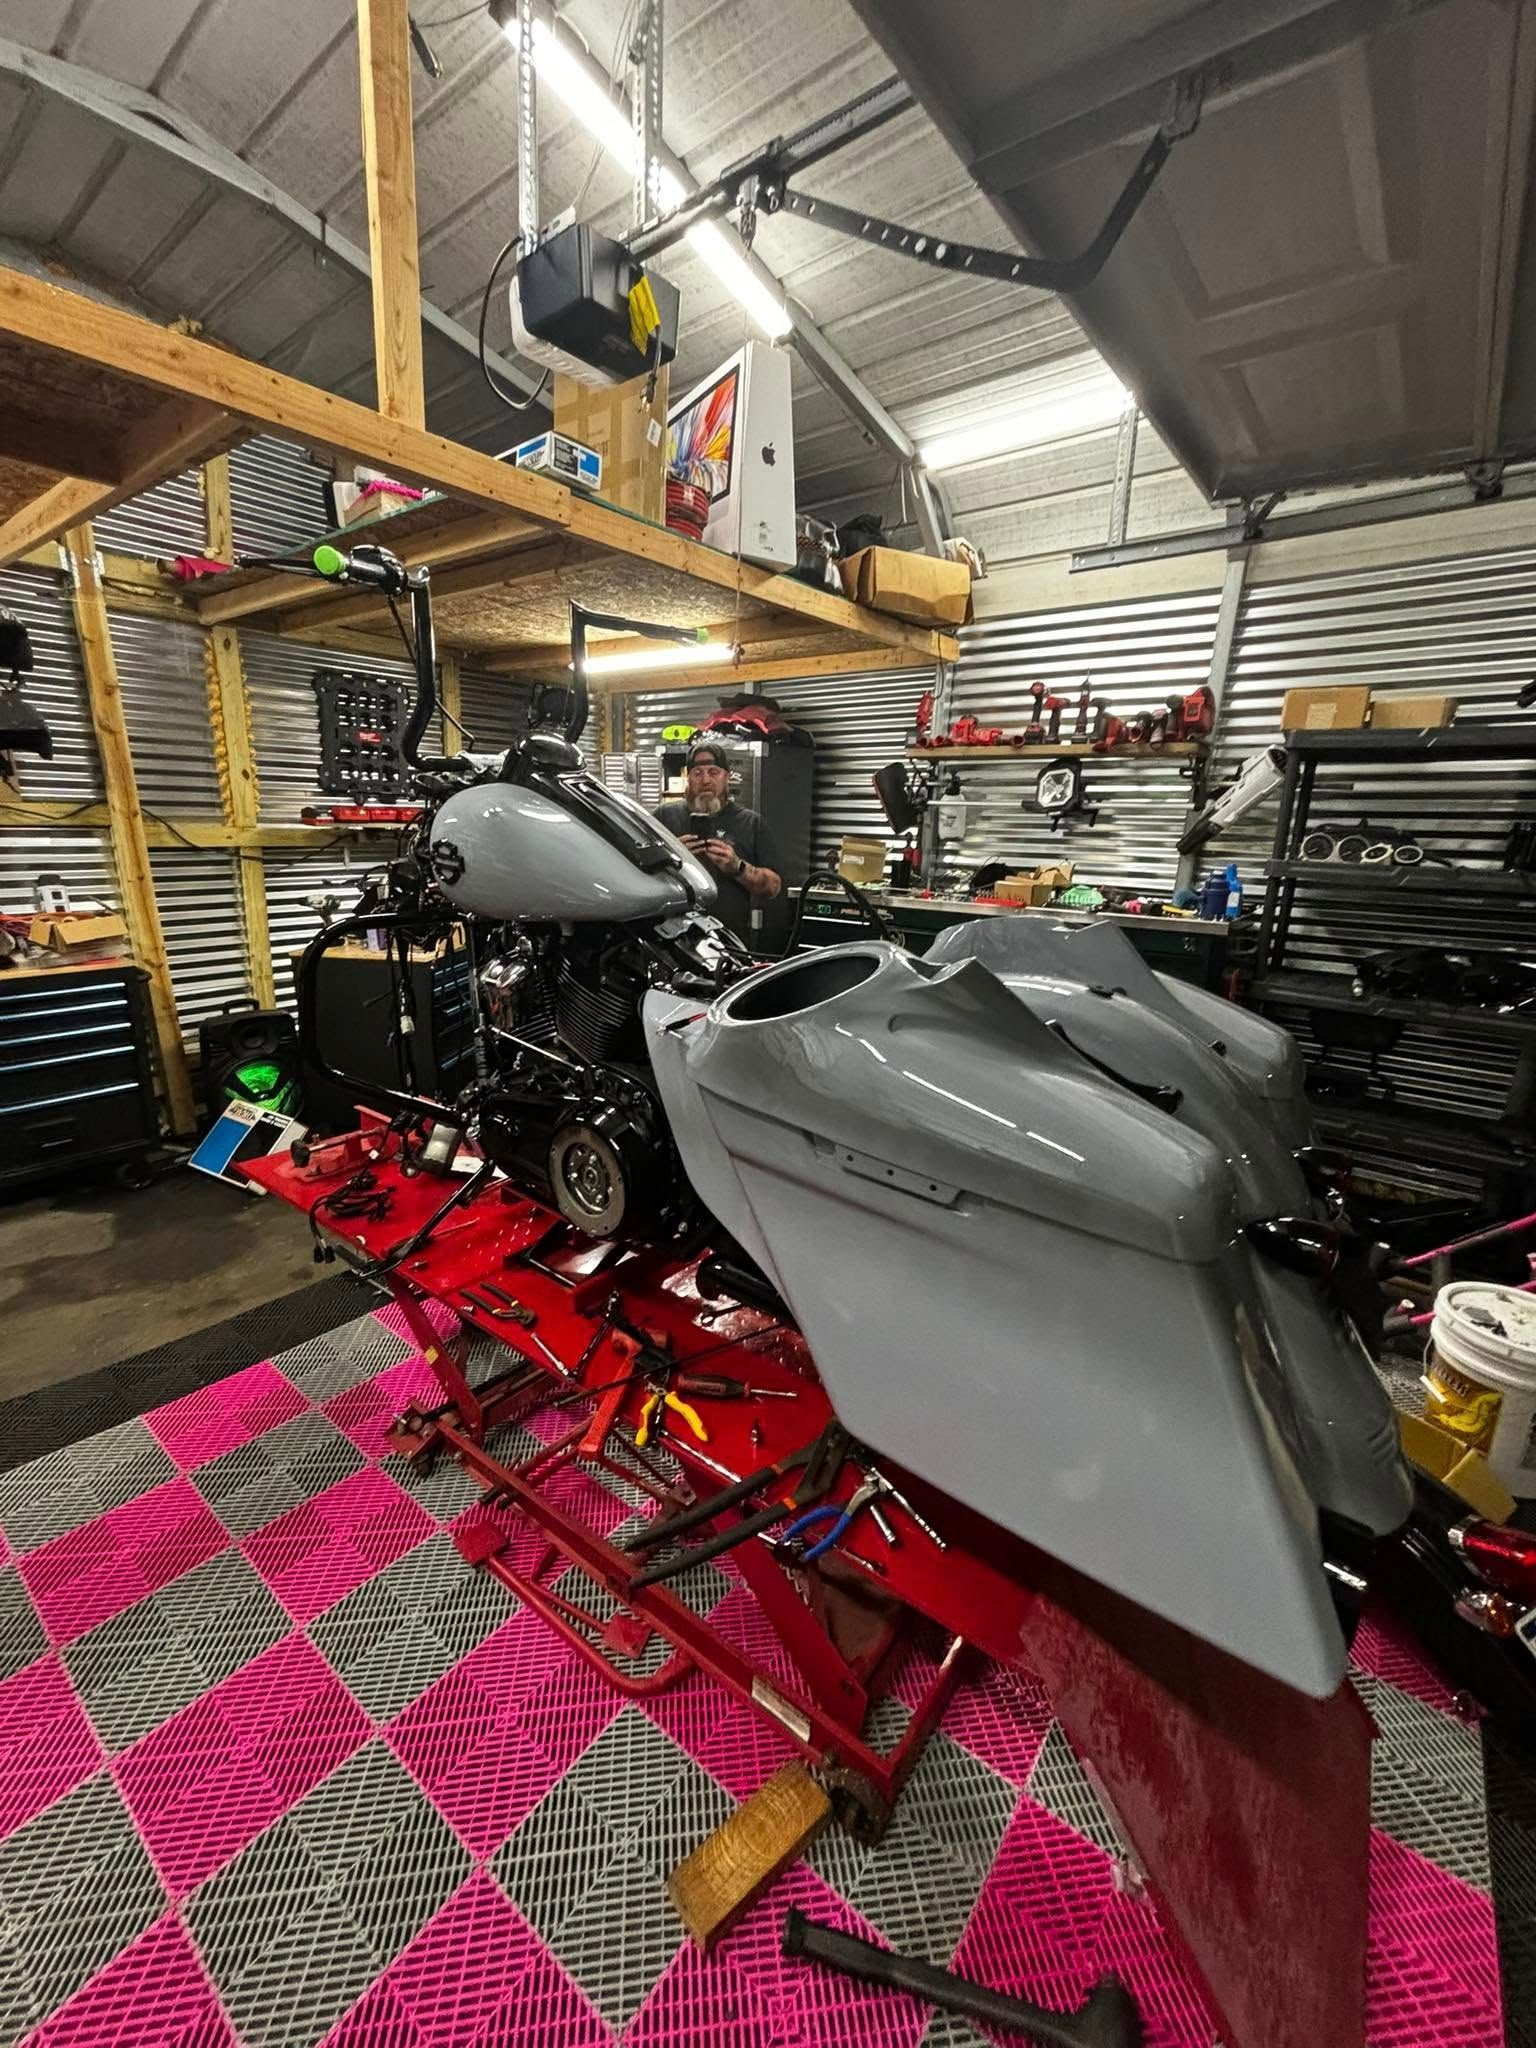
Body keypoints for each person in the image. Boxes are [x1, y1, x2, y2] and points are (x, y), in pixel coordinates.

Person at [656, 740, 781, 941]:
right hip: (673, 941)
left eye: (713, 772)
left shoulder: (750, 823)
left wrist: (738, 868)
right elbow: (638, 875)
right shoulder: (663, 817)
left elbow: (773, 888)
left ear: (727, 777)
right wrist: (673, 858)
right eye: (697, 773)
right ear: (688, 778)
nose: (705, 780)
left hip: (729, 941)